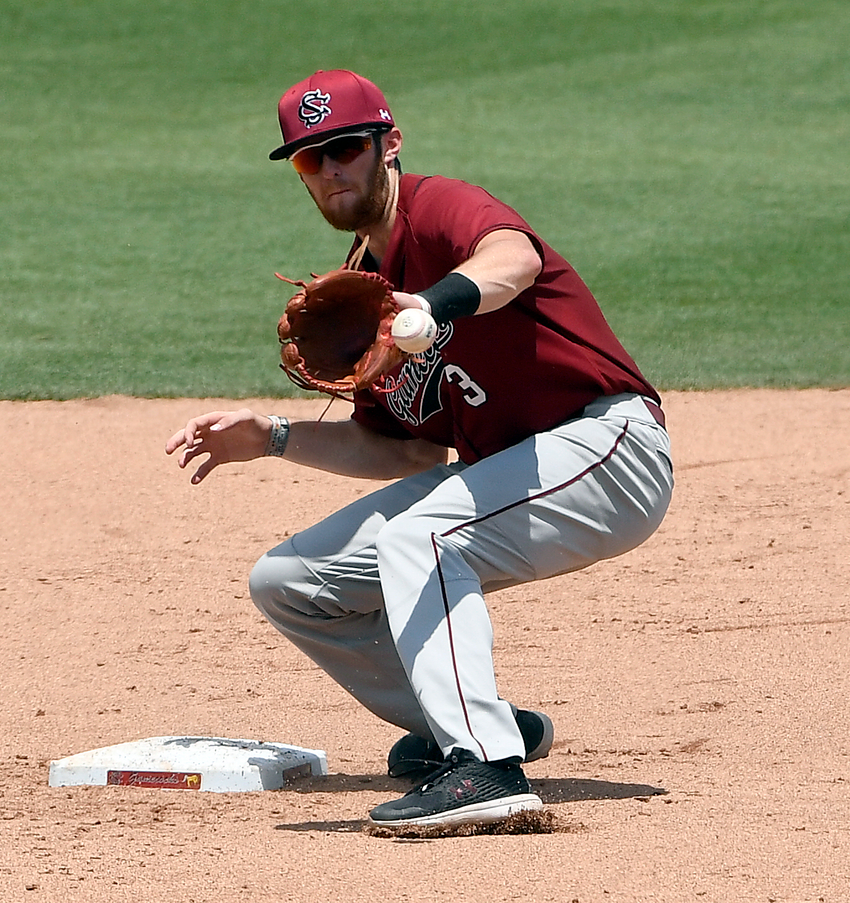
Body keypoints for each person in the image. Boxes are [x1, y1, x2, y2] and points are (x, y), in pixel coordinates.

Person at [166, 69, 673, 828]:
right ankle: (467, 723)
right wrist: (272, 437)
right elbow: (402, 452)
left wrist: (432, 306)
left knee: (419, 538)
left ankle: (485, 768)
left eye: (346, 148)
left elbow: (514, 259)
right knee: (289, 582)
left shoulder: (438, 209)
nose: (331, 170)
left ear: (390, 144)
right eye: (310, 158)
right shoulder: (362, 292)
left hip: (606, 449)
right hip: (512, 472)